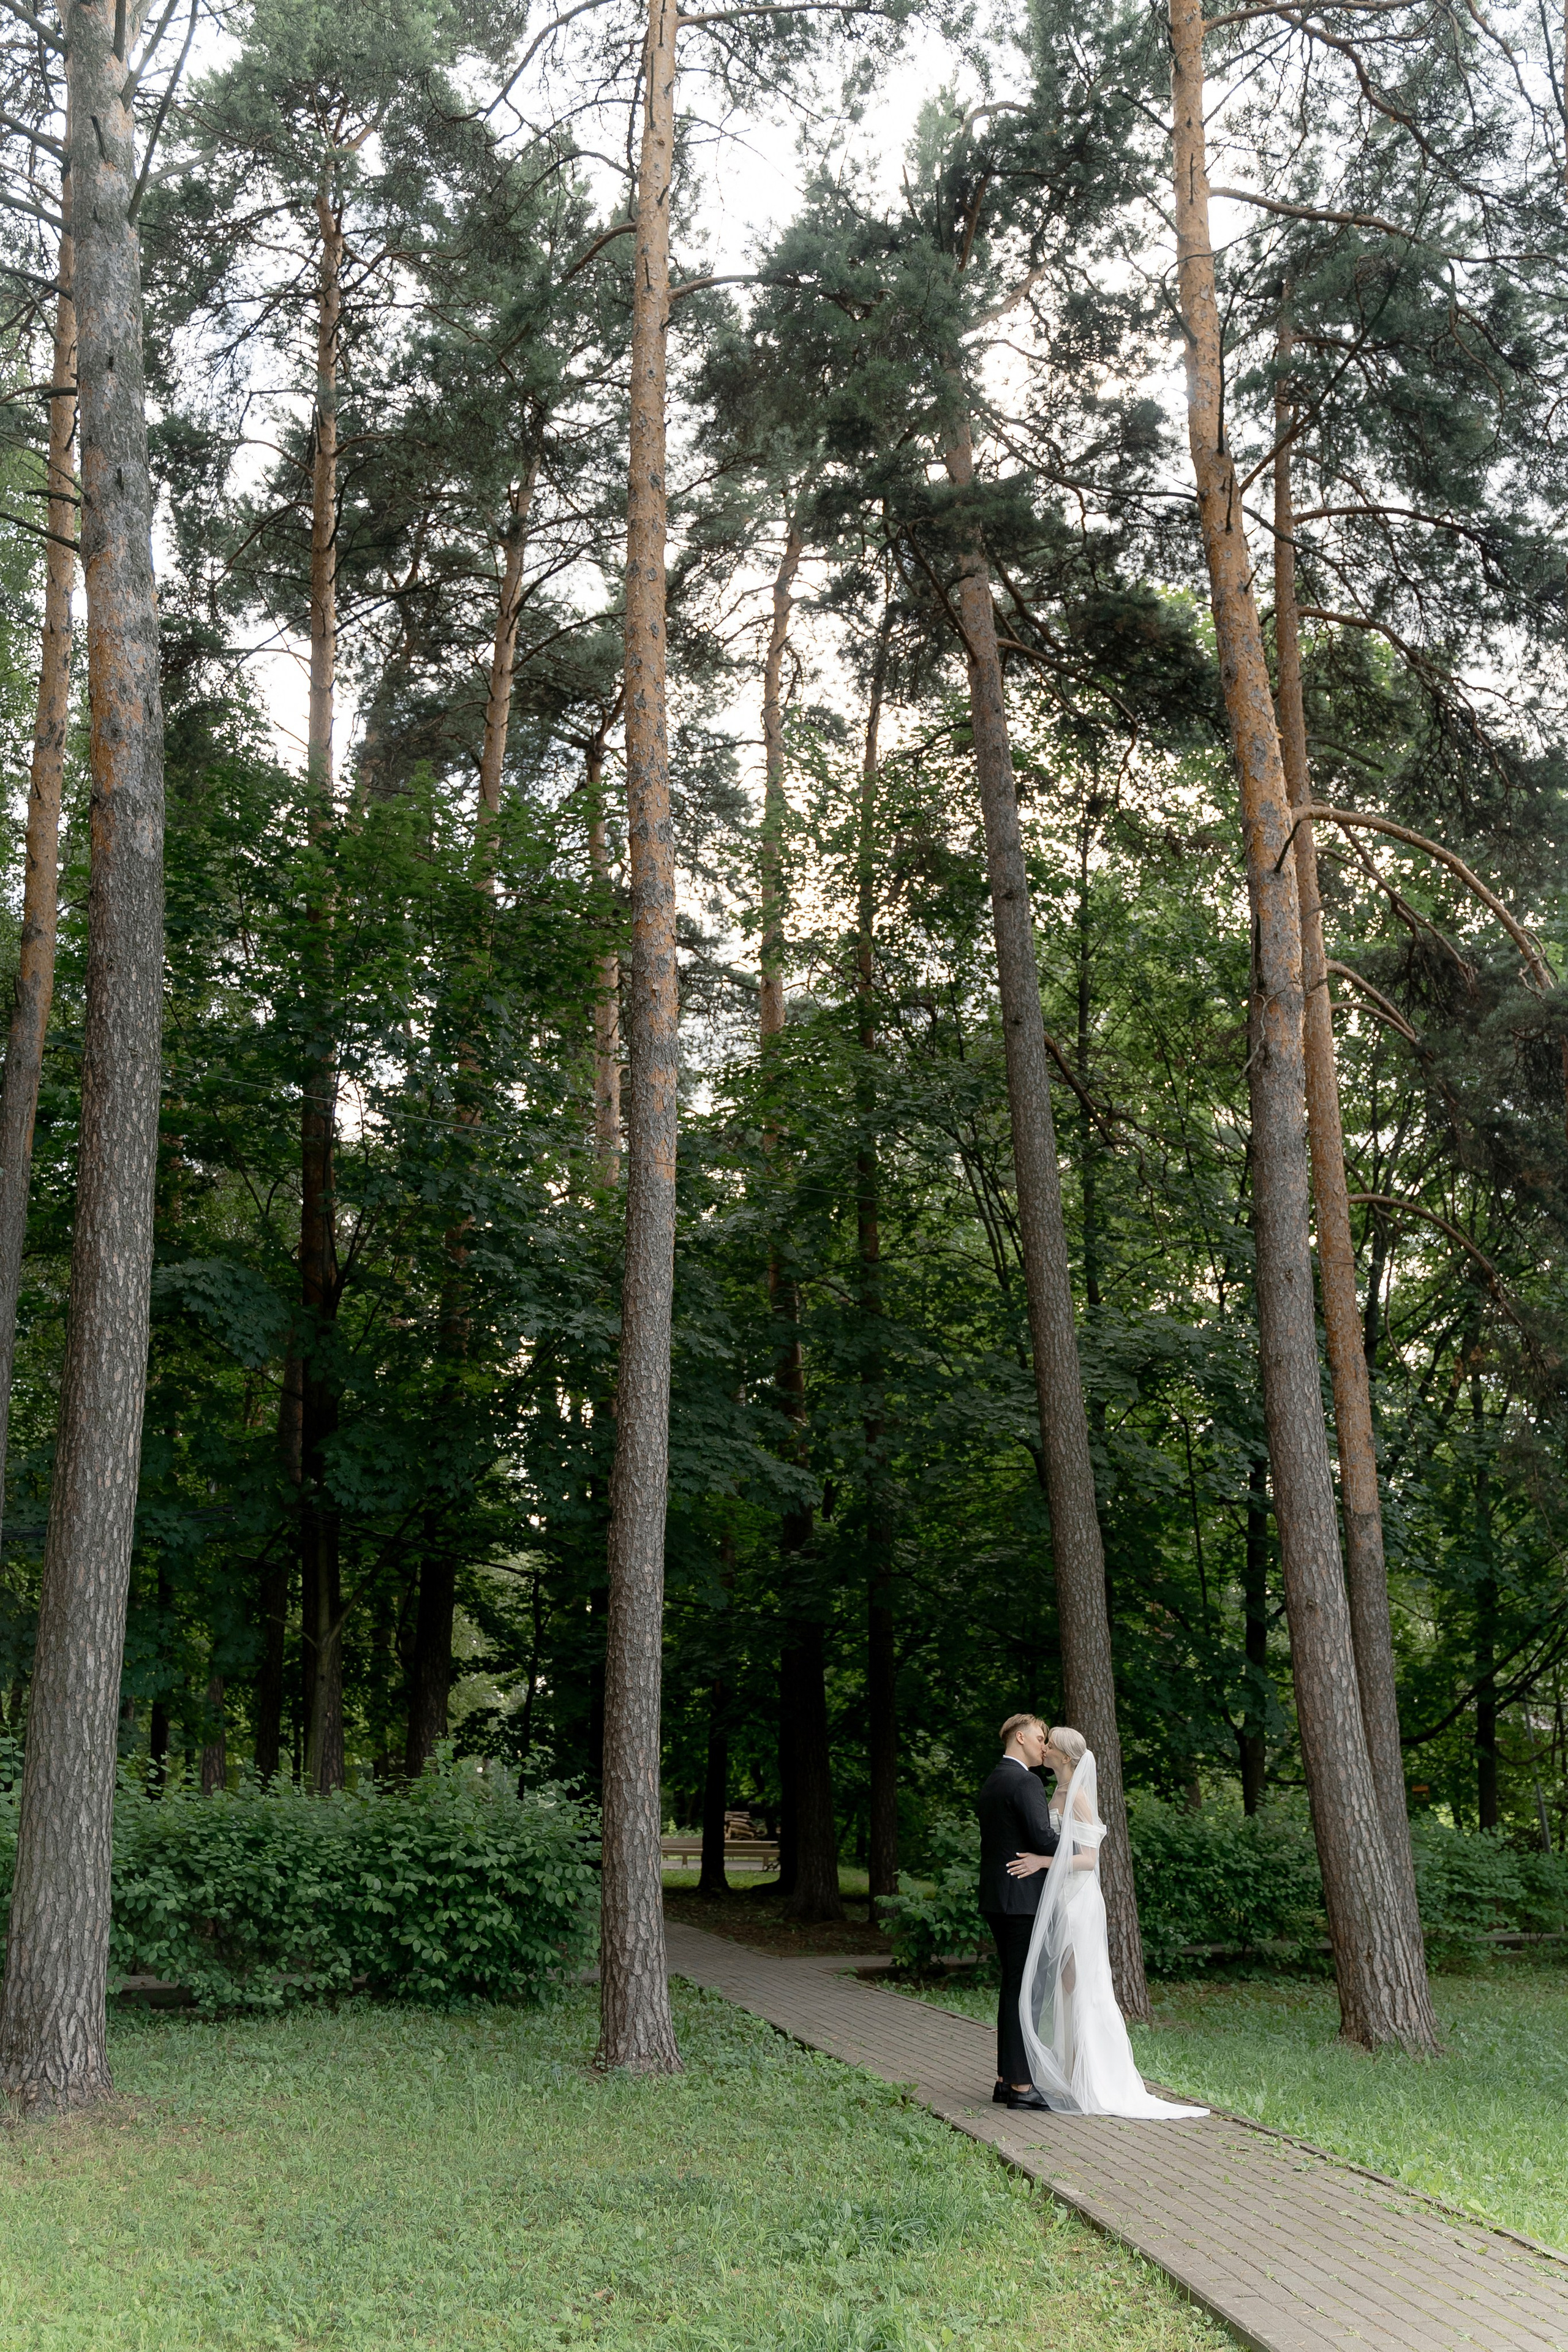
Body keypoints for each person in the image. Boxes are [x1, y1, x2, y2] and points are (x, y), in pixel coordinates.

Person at [1006, 1726, 1207, 2120]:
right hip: (1062, 1899)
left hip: (1079, 1900)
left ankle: (1097, 2079)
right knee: (1069, 1988)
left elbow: (1088, 1859)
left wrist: (1042, 1862)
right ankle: (1076, 2074)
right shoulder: (1058, 1792)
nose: (1043, 1749)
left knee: (1084, 1986)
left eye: (1050, 1746)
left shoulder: (1077, 1796)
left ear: (1064, 1757)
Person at [977, 1713, 1060, 2111]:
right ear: (1021, 1737)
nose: (1044, 1746)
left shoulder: (994, 1779)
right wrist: (1079, 1844)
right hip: (1022, 1900)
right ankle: (1022, 2087)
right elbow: (1043, 1837)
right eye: (1041, 1738)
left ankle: (1005, 2080)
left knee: (1014, 1988)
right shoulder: (1025, 1781)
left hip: (998, 1897)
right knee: (1025, 1991)